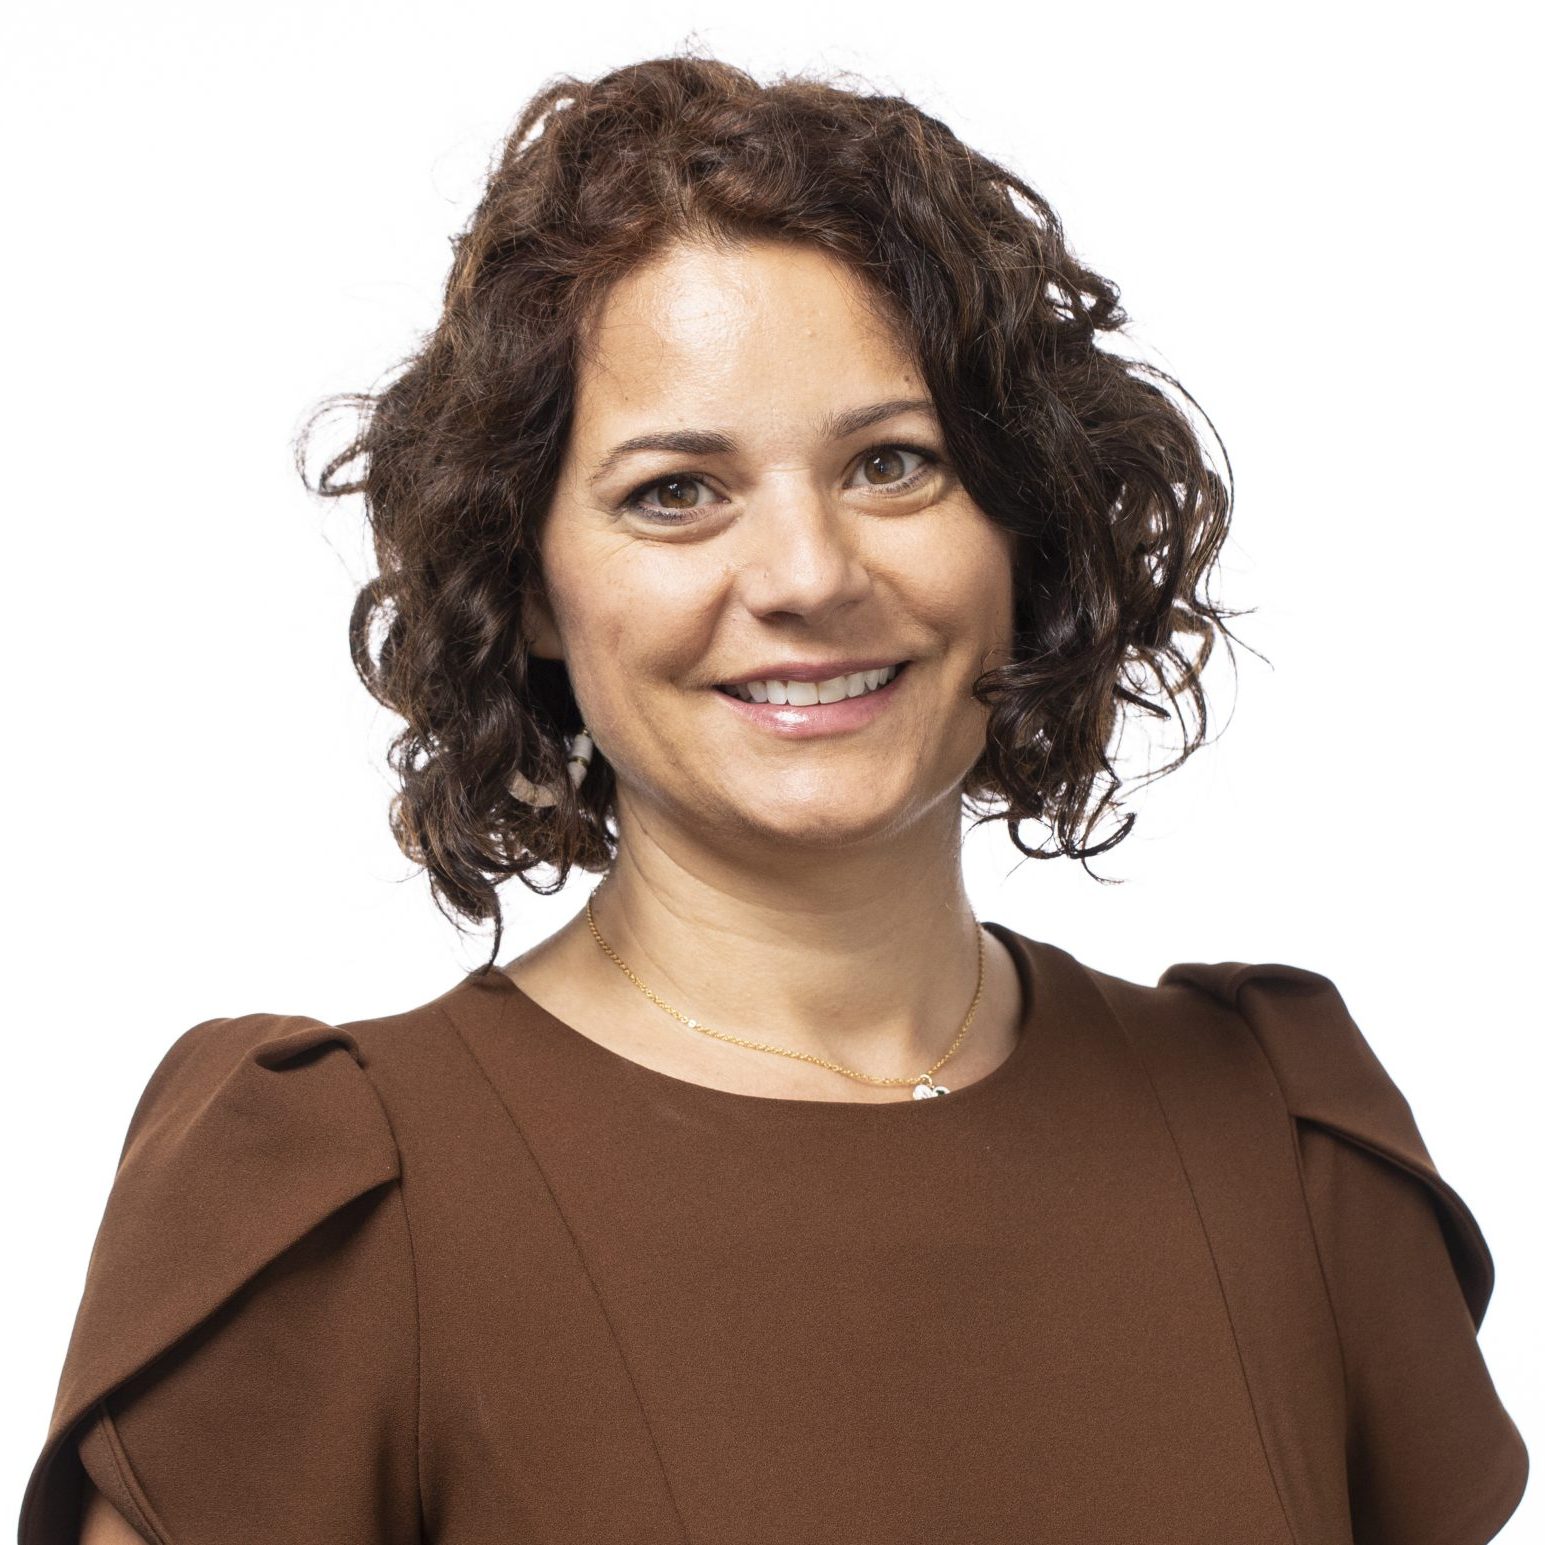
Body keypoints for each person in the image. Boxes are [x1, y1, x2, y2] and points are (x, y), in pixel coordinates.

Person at [21, 53, 1528, 1545]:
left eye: (892, 463)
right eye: (675, 490)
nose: (808, 573)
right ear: (529, 586)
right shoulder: (341, 1209)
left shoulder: (1278, 1137)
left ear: (1022, 524)